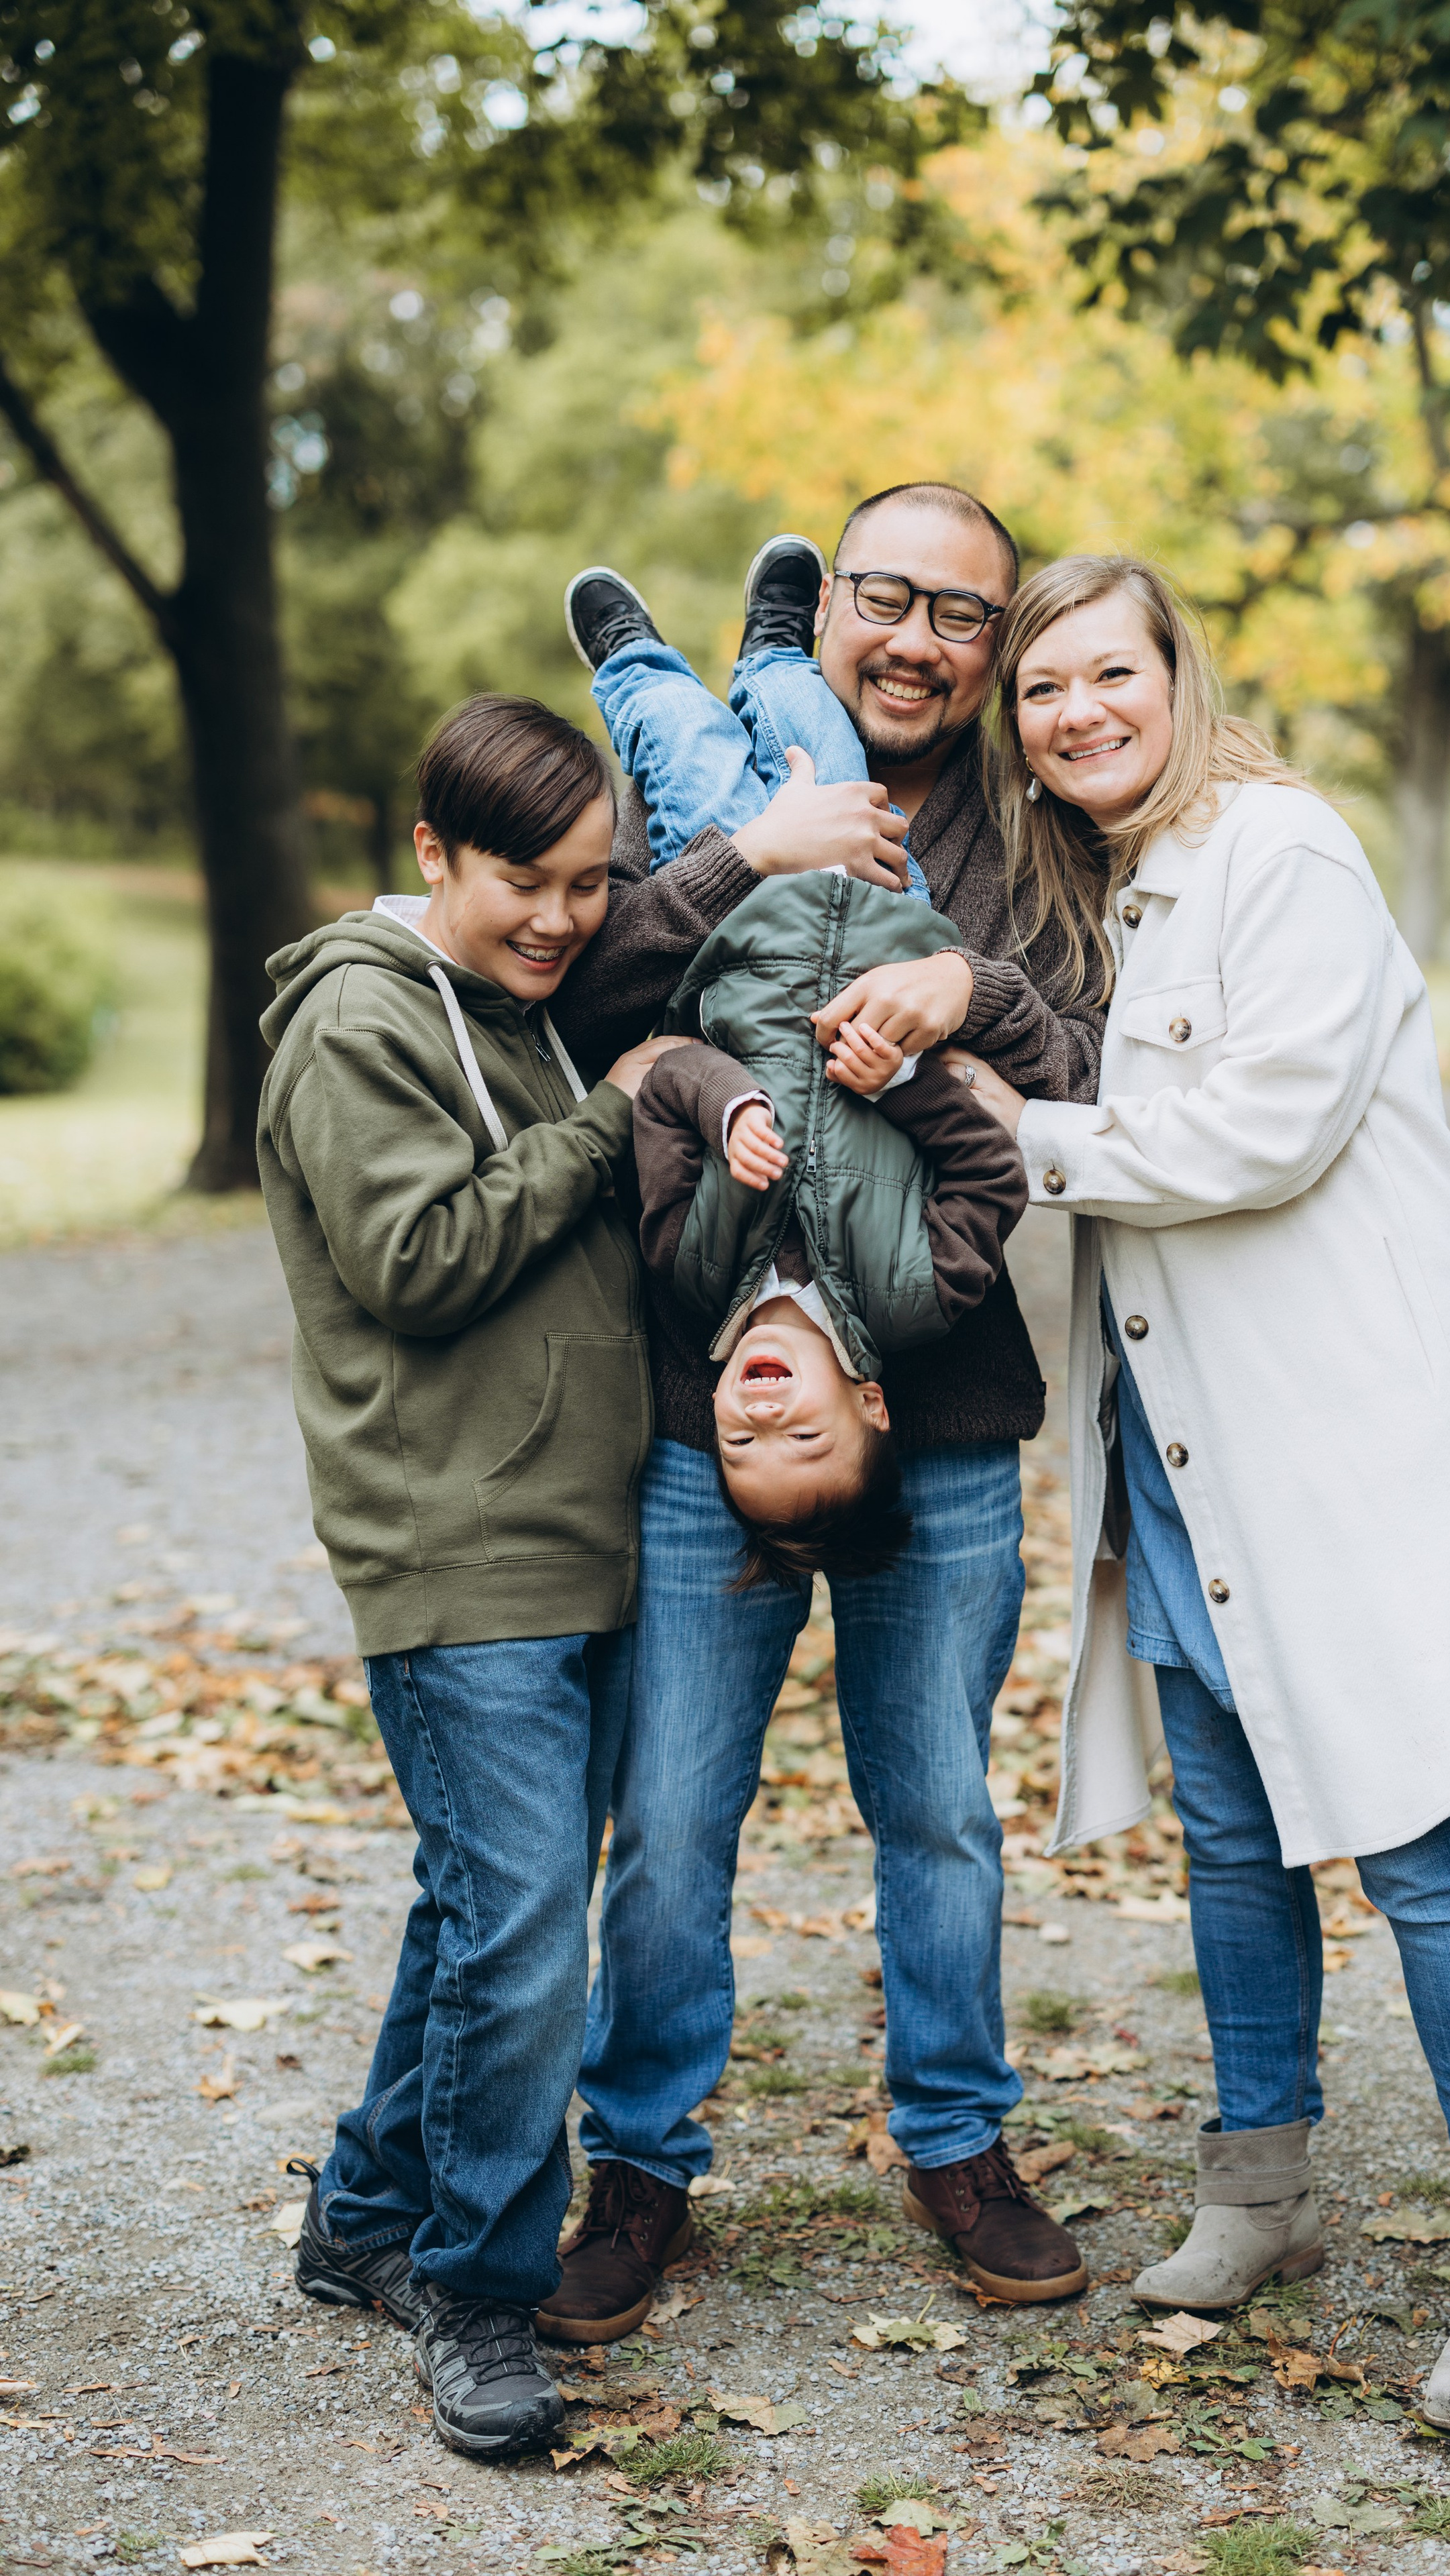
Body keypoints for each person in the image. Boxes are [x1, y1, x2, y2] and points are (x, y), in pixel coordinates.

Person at [966, 551, 1450, 2438]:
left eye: (1103, 674)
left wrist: (1024, 1142)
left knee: (1416, 1842)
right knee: (1231, 1836)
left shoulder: (1280, 852)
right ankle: (1260, 2191)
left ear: (1174, 670)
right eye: (1041, 690)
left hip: (1346, 1427)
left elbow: (1266, 1128)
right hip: (1182, 1434)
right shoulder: (1122, 884)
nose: (1074, 713)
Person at [536, 484, 1108, 2343]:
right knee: (675, 1809)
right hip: (720, 1405)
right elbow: (585, 996)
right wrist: (750, 864)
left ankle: (959, 2141)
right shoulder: (721, 797)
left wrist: (971, 986)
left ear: (995, 643)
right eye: (890, 598)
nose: (923, 640)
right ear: (839, 605)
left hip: (936, 1417)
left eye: (964, 615)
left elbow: (1090, 1054)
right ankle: (639, 2170)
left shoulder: (1030, 831)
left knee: (937, 1808)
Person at [256, 696, 677, 2459]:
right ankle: (483, 2287)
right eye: (527, 878)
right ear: (432, 851)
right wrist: (615, 1119)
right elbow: (424, 1259)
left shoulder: (517, 1008)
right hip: (455, 1547)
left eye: (590, 883)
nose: (564, 918)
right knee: (521, 1934)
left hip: (565, 1533)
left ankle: (365, 2213)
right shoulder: (361, 1027)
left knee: (480, 1909)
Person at [631, 887, 1027, 1572]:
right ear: (871, 1404)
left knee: (693, 774)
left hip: (750, 924)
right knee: (853, 788)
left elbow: (664, 1083)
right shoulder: (924, 1294)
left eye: (740, 1447)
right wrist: (899, 1085)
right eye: (806, 1438)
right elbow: (990, 1173)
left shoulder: (686, 1264)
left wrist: (727, 1109)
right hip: (896, 926)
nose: (765, 1422)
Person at [566, 538, 934, 900]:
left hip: (740, 940)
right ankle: (774, 665)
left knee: (687, 725)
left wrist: (753, 853)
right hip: (883, 917)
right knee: (816, 722)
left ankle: (642, 674)